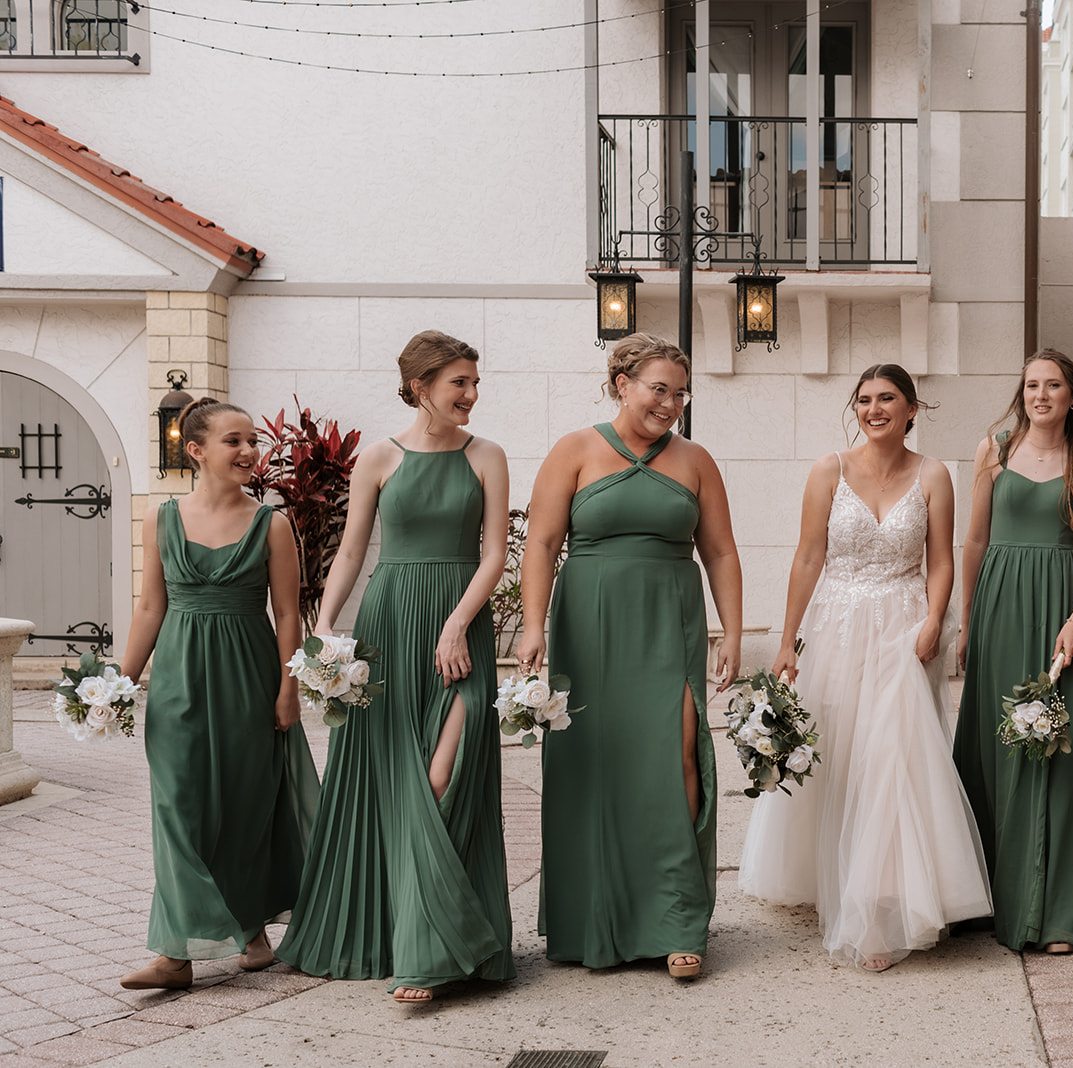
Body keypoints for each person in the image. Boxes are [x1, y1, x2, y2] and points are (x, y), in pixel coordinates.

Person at [278, 330, 514, 1004]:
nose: (471, 394)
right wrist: (326, 628)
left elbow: (494, 554)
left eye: (474, 382)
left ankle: (441, 941)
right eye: (458, 383)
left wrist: (458, 623)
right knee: (388, 778)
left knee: (445, 775)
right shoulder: (379, 457)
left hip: (457, 625)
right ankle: (412, 944)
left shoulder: (488, 456)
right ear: (420, 387)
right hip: (388, 621)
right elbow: (353, 552)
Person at [740, 364, 991, 972]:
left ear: (912, 409)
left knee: (894, 755)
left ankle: (883, 908)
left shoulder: (934, 475)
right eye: (865, 400)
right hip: (839, 623)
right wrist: (787, 642)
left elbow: (941, 559)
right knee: (844, 748)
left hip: (905, 627)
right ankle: (840, 876)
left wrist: (936, 618)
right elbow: (807, 556)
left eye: (888, 399)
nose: (874, 409)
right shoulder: (830, 469)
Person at [518, 333, 742, 980]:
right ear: (622, 383)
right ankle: (597, 919)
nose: (670, 403)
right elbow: (541, 542)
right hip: (588, 624)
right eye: (658, 389)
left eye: (679, 392)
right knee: (595, 764)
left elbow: (721, 551)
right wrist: (532, 625)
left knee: (678, 758)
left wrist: (730, 631)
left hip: (669, 622)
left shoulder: (696, 460)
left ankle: (678, 920)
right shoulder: (576, 449)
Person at [118, 398, 318, 991]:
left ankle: (251, 932)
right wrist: (118, 683)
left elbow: (287, 615)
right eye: (234, 441)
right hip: (179, 679)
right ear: (196, 450)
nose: (249, 451)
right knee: (177, 807)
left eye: (252, 440)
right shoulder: (161, 520)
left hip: (248, 677)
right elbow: (151, 605)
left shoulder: (271, 524)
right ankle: (175, 954)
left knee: (244, 805)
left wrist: (289, 689)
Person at [952, 351, 1073, 954]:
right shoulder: (992, 449)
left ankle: (1061, 911)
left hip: (1062, 607)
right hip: (999, 605)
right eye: (1031, 385)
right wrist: (967, 622)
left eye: (1053, 385)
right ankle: (993, 896)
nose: (1040, 394)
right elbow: (974, 540)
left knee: (1064, 753)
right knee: (999, 746)